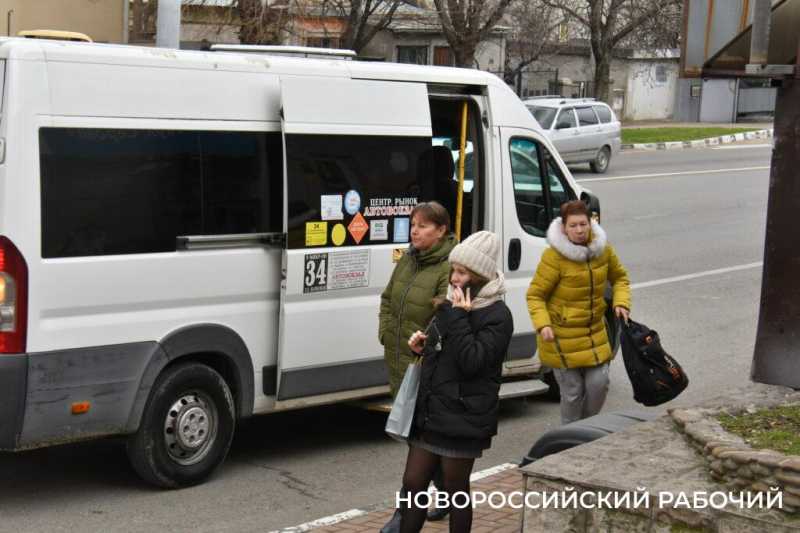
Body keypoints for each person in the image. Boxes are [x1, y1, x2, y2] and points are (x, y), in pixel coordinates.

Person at [399, 231, 514, 533]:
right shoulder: (451, 305)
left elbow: (473, 361)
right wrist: (422, 346)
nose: (453, 278)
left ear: (478, 276)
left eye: (462, 272)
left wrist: (460, 317)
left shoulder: (498, 315)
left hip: (464, 416)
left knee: (455, 490)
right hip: (432, 412)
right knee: (412, 484)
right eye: (454, 270)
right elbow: (442, 347)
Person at [379, 201, 456, 533]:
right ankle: (446, 494)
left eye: (424, 226)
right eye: (413, 224)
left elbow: (446, 319)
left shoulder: (449, 268)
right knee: (418, 438)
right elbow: (387, 298)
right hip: (400, 363)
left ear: (441, 231)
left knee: (420, 441)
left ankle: (406, 512)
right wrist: (385, 333)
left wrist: (423, 347)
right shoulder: (408, 260)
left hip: (425, 364)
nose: (415, 230)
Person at [526, 200, 631, 425]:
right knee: (572, 393)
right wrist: (543, 324)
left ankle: (584, 430)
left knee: (599, 384)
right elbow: (535, 295)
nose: (580, 230)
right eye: (573, 225)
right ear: (564, 227)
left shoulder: (603, 251)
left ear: (591, 223)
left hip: (594, 332)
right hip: (561, 336)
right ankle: (570, 438)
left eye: (583, 224)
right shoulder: (553, 257)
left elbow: (620, 278)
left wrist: (621, 302)